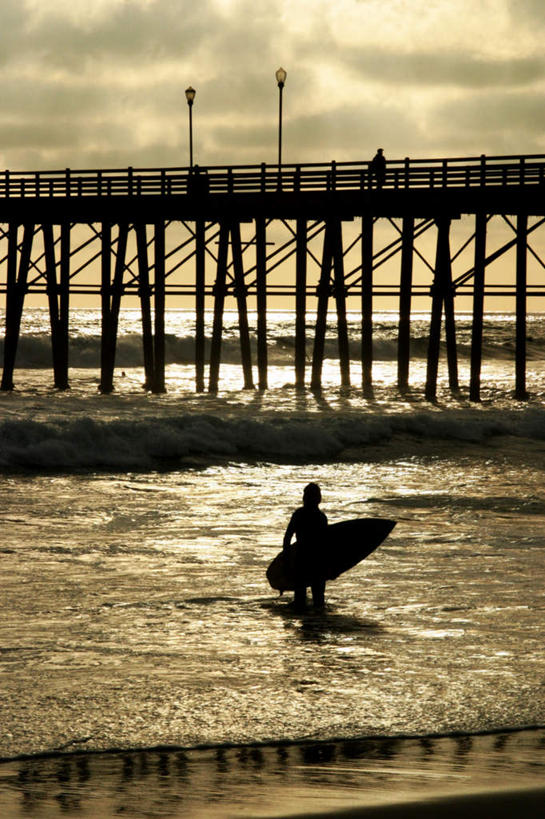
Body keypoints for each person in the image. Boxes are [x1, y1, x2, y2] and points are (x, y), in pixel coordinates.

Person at [283, 482, 328, 610]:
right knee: (318, 601)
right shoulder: (321, 517)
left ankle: (303, 617)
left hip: (301, 559)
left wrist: (287, 556)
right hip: (316, 561)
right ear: (319, 499)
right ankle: (318, 620)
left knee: (300, 600)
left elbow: (287, 537)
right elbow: (326, 544)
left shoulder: (299, 514)